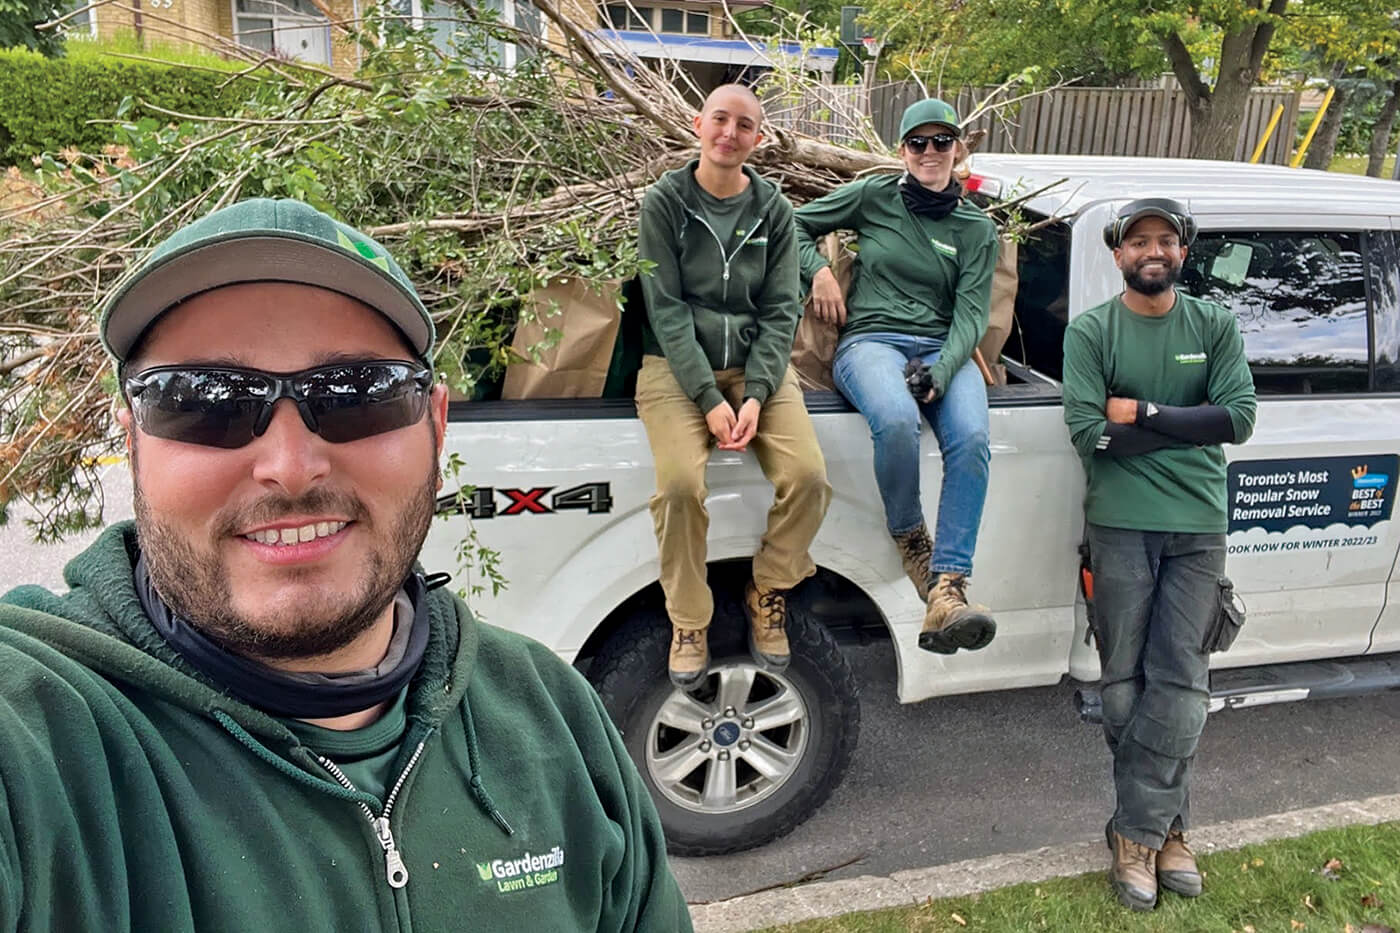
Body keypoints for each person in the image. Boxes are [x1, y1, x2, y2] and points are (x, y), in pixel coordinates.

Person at [0, 198, 693, 932]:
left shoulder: (554, 716)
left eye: (357, 393)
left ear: (435, 421)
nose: (291, 468)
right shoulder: (39, 739)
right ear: (133, 437)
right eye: (206, 400)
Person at [1061, 197, 1257, 911]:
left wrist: (1141, 413)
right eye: (1138, 239)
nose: (1153, 249)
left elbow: (1235, 418)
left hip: (1198, 527)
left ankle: (1140, 834)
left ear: (1183, 252)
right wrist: (1186, 427)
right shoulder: (1092, 332)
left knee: (1181, 679)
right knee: (1123, 685)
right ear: (1118, 254)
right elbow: (1089, 433)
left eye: (1165, 240)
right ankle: (1167, 828)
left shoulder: (1214, 324)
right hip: (1118, 524)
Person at [636, 84, 832, 687]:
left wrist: (752, 394)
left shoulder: (773, 209)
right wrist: (707, 399)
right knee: (677, 487)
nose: (729, 133)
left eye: (744, 125)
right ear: (699, 124)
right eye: (720, 119)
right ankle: (689, 620)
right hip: (674, 366)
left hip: (755, 366)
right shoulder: (666, 201)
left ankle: (768, 587)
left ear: (758, 139)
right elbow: (665, 308)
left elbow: (780, 309)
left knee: (808, 478)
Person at [793, 98, 999, 655]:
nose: (930, 152)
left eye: (941, 141)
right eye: (918, 142)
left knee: (975, 439)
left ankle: (949, 587)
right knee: (894, 417)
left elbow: (972, 313)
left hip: (942, 345)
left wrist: (945, 367)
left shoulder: (976, 229)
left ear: (958, 148)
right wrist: (818, 273)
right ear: (902, 149)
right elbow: (791, 223)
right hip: (871, 341)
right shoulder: (873, 194)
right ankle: (913, 543)